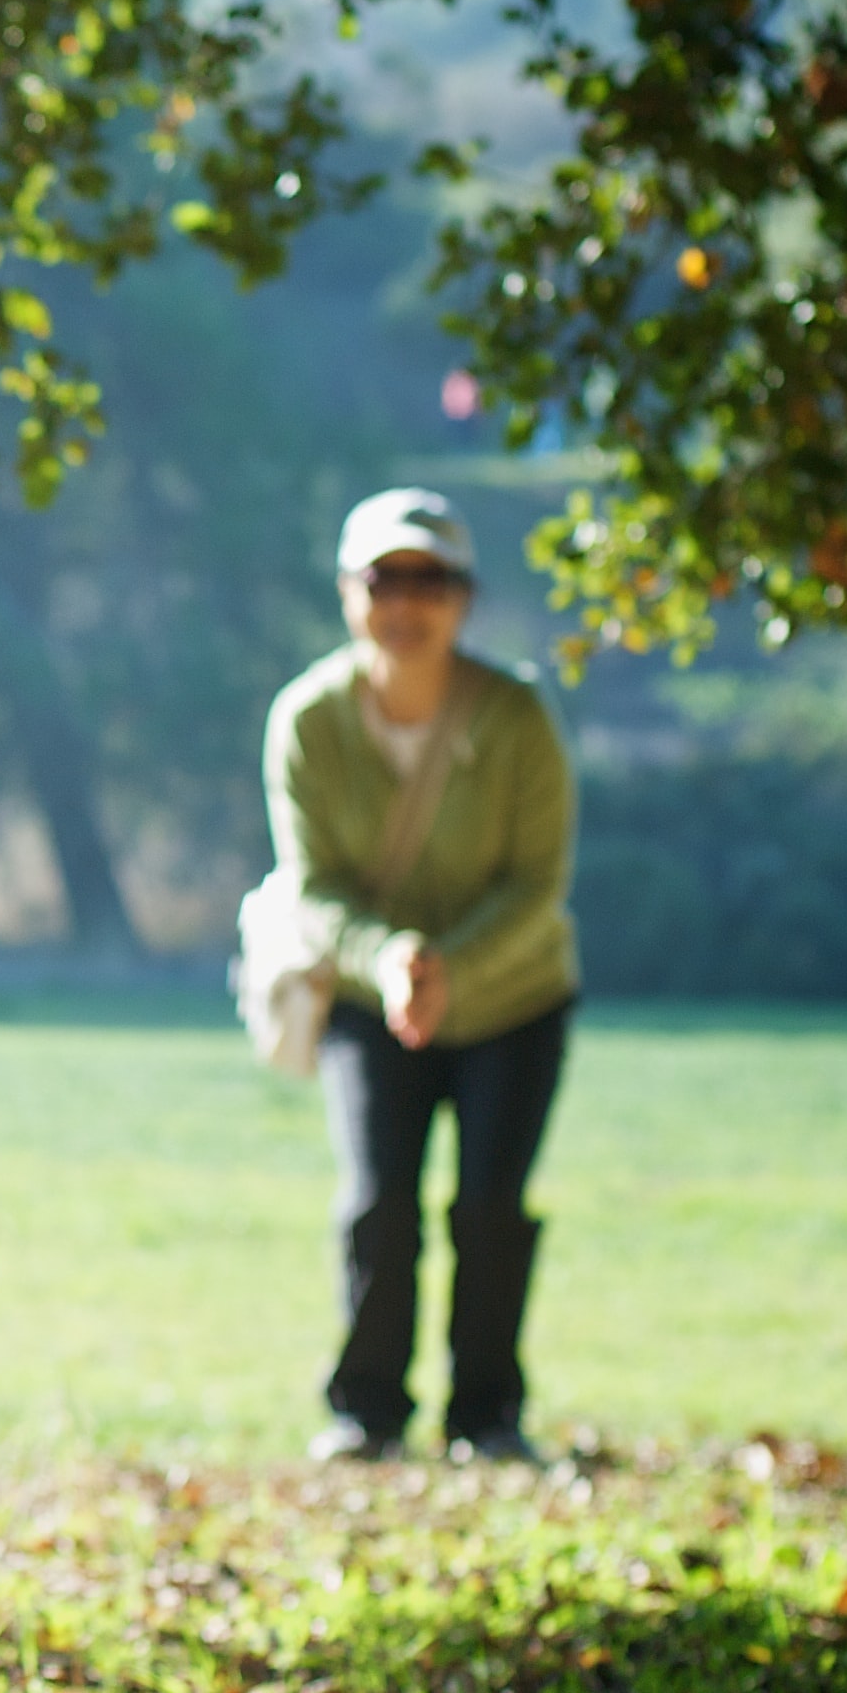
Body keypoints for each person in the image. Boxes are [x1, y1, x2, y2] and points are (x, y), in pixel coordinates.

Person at [262, 487, 580, 1466]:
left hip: (512, 996)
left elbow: (538, 882)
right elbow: (310, 885)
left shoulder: (516, 716)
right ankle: (365, 1413)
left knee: (488, 1204)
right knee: (375, 1198)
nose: (406, 601)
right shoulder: (307, 720)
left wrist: (446, 965)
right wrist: (389, 959)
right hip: (368, 997)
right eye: (384, 579)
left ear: (462, 598)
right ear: (348, 592)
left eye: (428, 581)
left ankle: (485, 1416)